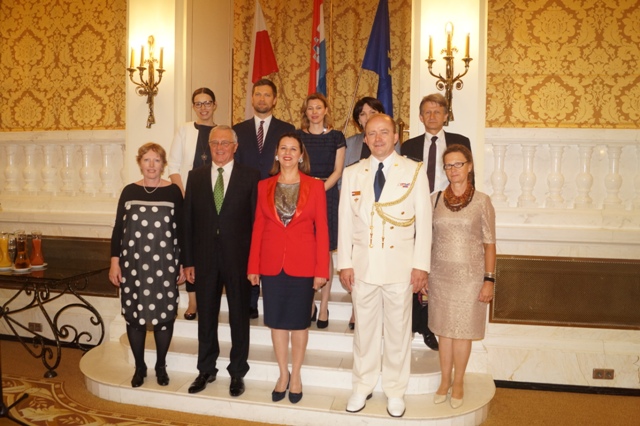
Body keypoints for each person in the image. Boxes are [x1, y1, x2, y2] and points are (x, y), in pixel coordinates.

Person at [338, 114, 431, 418]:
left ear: (395, 136)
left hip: (400, 267)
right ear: (364, 139)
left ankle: (395, 390)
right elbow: (345, 220)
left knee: (398, 332)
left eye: (384, 132)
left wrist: (421, 265)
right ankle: (362, 385)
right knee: (364, 332)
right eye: (372, 133)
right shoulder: (353, 172)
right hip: (363, 266)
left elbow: (424, 223)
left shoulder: (414, 171)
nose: (378, 138)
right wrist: (344, 263)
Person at [247, 133, 329, 404]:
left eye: (294, 149)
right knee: (277, 322)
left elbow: (322, 230)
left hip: (303, 264)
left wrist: (321, 270)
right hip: (272, 264)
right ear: (276, 153)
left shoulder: (315, 186)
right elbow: (258, 227)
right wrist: (253, 265)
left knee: (299, 323)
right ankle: (283, 374)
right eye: (283, 148)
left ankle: (297, 376)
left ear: (301, 155)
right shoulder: (264, 186)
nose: (288, 153)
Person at [183, 125, 260, 397]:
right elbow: (188, 221)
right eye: (214, 143)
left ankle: (237, 372)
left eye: (225, 143)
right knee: (206, 316)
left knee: (239, 316)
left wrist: (255, 262)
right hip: (204, 258)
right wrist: (188, 261)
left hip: (239, 259)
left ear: (235, 147)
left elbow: (257, 223)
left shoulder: (251, 176)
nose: (219, 147)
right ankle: (206, 369)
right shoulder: (195, 176)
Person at [109, 143, 185, 388]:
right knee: (134, 316)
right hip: (133, 265)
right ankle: (140, 366)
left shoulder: (173, 192)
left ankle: (161, 365)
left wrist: (183, 263)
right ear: (139, 163)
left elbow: (182, 230)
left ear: (163, 164)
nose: (151, 165)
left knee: (164, 316)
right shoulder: (129, 191)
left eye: (156, 160)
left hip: (165, 264)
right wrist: (114, 262)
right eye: (146, 160)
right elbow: (118, 229)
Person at [401, 92, 472, 351]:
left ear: (445, 116)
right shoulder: (408, 146)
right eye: (427, 112)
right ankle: (413, 323)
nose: (432, 116)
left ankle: (430, 327)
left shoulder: (460, 142)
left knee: (437, 270)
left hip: (448, 213)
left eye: (437, 112)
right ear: (420, 117)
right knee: (415, 267)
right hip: (415, 213)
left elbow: (468, 180)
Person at [429, 144, 496, 409]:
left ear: (469, 166)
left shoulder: (482, 201)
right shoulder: (434, 199)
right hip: (440, 276)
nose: (453, 169)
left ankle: (458, 382)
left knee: (462, 332)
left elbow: (489, 244)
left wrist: (489, 280)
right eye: (448, 165)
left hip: (470, 278)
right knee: (444, 332)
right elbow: (426, 240)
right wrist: (423, 273)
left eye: (458, 164)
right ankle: (444, 380)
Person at [234, 78, 295, 319]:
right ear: (252, 98)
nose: (262, 99)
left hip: (276, 196)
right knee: (248, 246)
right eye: (258, 94)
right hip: (245, 197)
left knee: (271, 247)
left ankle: (273, 297)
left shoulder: (286, 129)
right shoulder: (238, 130)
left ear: (275, 99)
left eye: (267, 95)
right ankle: (250, 301)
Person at [342, 96, 399, 330]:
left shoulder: (393, 147)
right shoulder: (350, 144)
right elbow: (345, 181)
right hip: (358, 215)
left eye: (372, 112)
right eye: (362, 114)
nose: (367, 117)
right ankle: (356, 310)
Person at [167, 87, 218, 321]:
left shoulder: (222, 131)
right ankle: (193, 301)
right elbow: (173, 166)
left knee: (211, 251)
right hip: (189, 198)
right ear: (193, 107)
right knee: (191, 250)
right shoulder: (184, 130)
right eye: (198, 103)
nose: (203, 108)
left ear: (214, 105)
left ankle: (210, 297)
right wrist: (185, 196)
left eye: (207, 103)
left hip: (216, 200)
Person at [296, 93, 345, 329]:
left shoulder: (337, 137)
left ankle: (324, 306)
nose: (314, 112)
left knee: (324, 250)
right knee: (306, 250)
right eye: (310, 108)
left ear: (326, 110)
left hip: (327, 194)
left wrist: (318, 191)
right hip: (302, 196)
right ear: (305, 112)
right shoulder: (298, 136)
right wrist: (308, 192)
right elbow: (292, 166)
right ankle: (309, 304)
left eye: (318, 108)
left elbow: (338, 171)